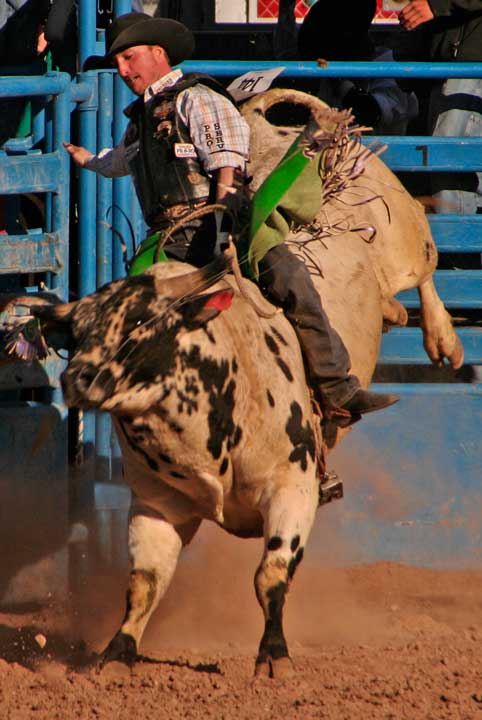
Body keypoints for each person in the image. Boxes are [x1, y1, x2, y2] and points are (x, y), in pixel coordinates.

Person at [64, 12, 398, 424]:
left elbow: (227, 163)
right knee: (124, 306)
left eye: (129, 57)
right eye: (117, 62)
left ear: (158, 53)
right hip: (167, 236)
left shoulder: (197, 98)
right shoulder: (142, 119)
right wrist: (88, 160)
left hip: (216, 219)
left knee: (290, 280)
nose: (122, 69)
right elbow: (123, 160)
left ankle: (335, 388)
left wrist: (224, 225)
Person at [400, 0, 482, 216]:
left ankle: (461, 246)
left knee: (453, 169)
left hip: (468, 68)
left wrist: (437, 4)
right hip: (447, 66)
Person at [298, 0, 419, 135]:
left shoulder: (386, 65)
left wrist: (340, 83)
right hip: (327, 149)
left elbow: (371, 113)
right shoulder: (326, 67)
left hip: (378, 151)